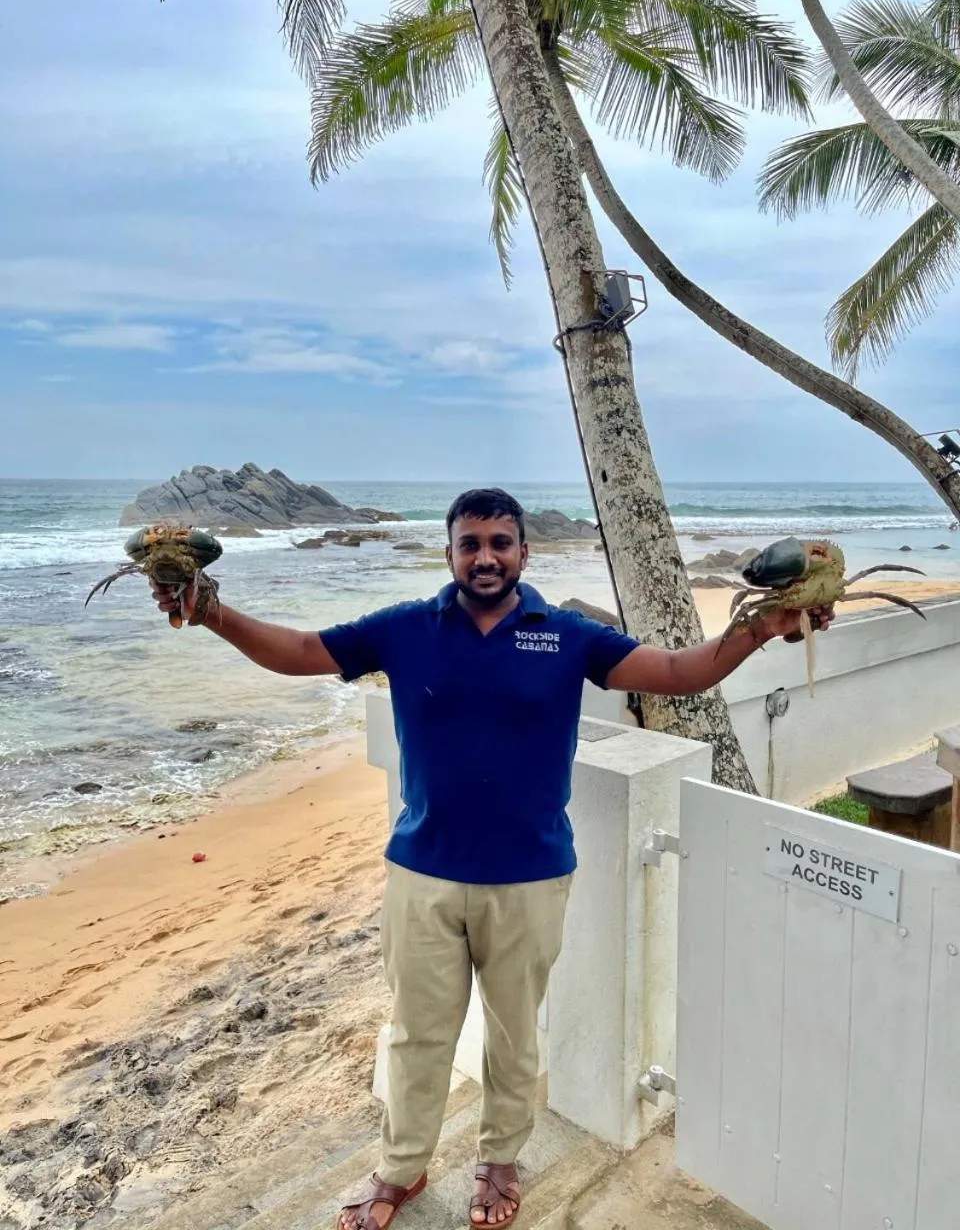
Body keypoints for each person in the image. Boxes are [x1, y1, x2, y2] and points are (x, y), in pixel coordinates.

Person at [150, 487, 831, 1230]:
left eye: (499, 542)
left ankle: (499, 1160)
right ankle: (400, 1169)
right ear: (448, 554)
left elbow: (676, 671)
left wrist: (763, 628)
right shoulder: (405, 629)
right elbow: (304, 653)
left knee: (514, 1033)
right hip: (423, 872)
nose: (485, 556)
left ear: (523, 554)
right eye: (469, 543)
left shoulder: (567, 635)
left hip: (531, 876)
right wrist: (209, 611)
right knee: (419, 1033)